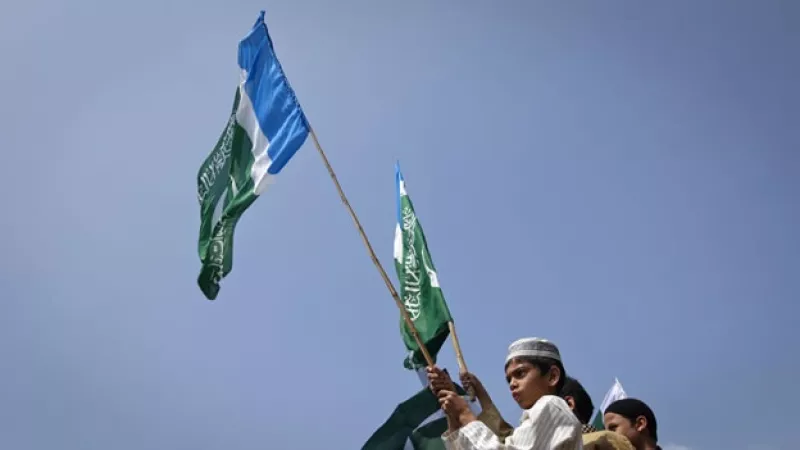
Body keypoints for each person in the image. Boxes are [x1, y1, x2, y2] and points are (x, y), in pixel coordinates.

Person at [428, 337, 582, 449]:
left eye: (520, 373)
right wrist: (452, 413)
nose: (513, 384)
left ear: (552, 376)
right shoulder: (527, 427)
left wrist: (464, 413)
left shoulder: (552, 405)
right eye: (509, 379)